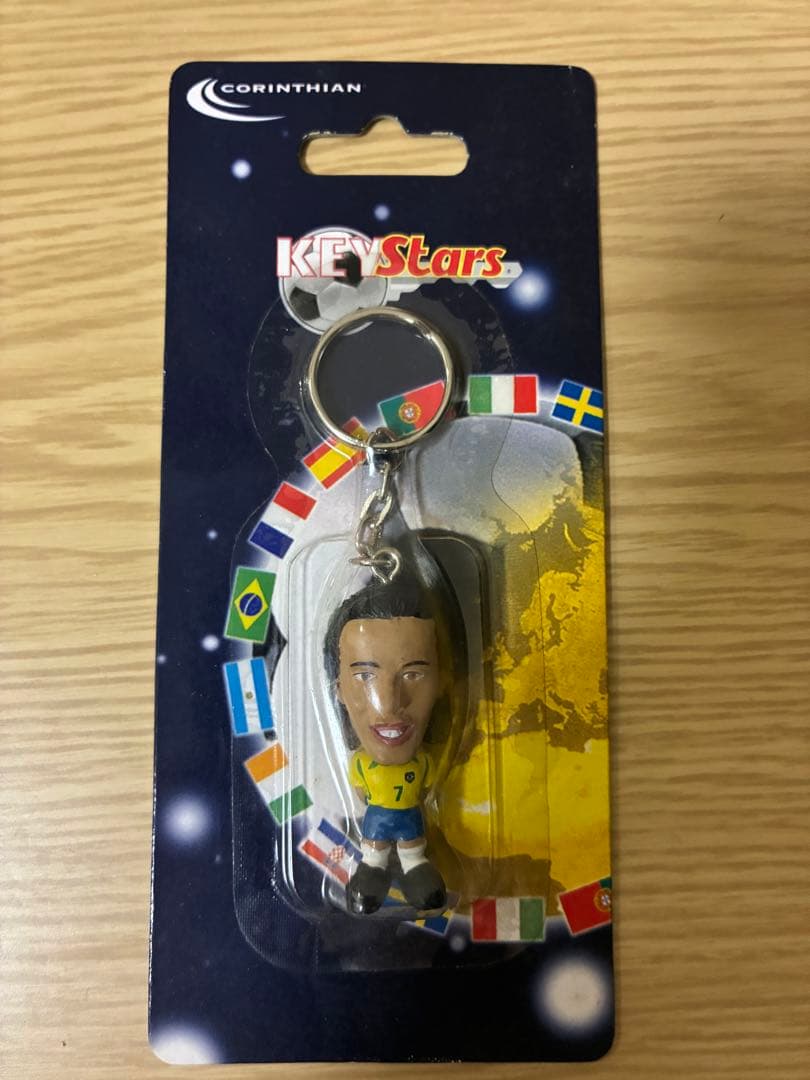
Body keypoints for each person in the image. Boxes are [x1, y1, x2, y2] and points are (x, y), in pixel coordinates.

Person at [324, 578, 447, 915]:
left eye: (412, 674)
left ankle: (415, 870)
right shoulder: (361, 763)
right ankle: (372, 873)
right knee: (374, 853)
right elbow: (361, 789)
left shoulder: (423, 763)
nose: (390, 705)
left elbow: (425, 785)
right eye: (365, 676)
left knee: (413, 852)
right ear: (338, 688)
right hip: (377, 823)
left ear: (441, 682)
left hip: (409, 822)